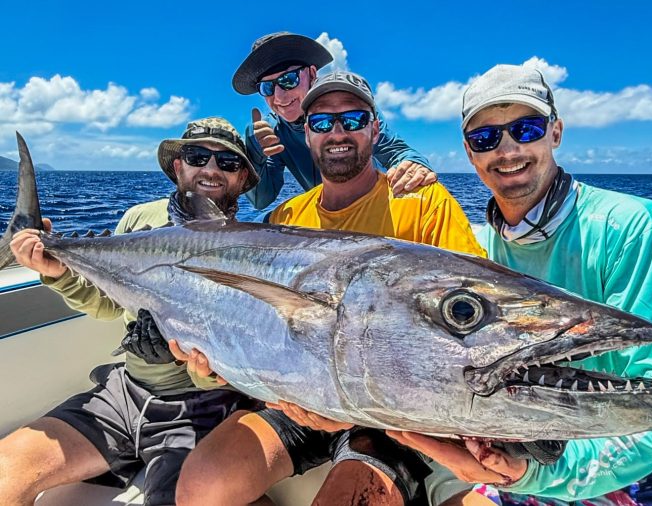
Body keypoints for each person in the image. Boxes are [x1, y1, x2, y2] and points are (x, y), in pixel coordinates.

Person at [387, 64, 652, 506]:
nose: (507, 150)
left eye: (525, 128)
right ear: (470, 153)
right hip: (520, 453)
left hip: (647, 462)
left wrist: (535, 472)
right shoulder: (471, 247)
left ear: (556, 132)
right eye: (486, 138)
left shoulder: (634, 227)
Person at [174, 71, 487, 506]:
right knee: (202, 484)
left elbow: (469, 324)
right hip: (300, 397)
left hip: (390, 412)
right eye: (322, 123)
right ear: (307, 133)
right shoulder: (285, 218)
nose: (337, 132)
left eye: (352, 120)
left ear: (375, 129)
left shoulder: (423, 201)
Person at [0, 117, 262, 506]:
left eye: (227, 162)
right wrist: (57, 272)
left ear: (241, 178)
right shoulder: (139, 221)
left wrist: (191, 365)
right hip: (122, 393)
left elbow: (242, 363)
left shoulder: (256, 254)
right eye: (197, 156)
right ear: (178, 166)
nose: (210, 169)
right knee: (7, 470)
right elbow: (108, 304)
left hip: (203, 410)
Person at [232, 31, 438, 210]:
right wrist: (254, 156)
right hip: (328, 219)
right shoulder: (270, 132)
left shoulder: (352, 108)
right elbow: (261, 200)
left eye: (288, 80)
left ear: (312, 74)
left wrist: (414, 164)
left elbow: (397, 151)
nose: (278, 97)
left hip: (381, 208)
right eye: (267, 88)